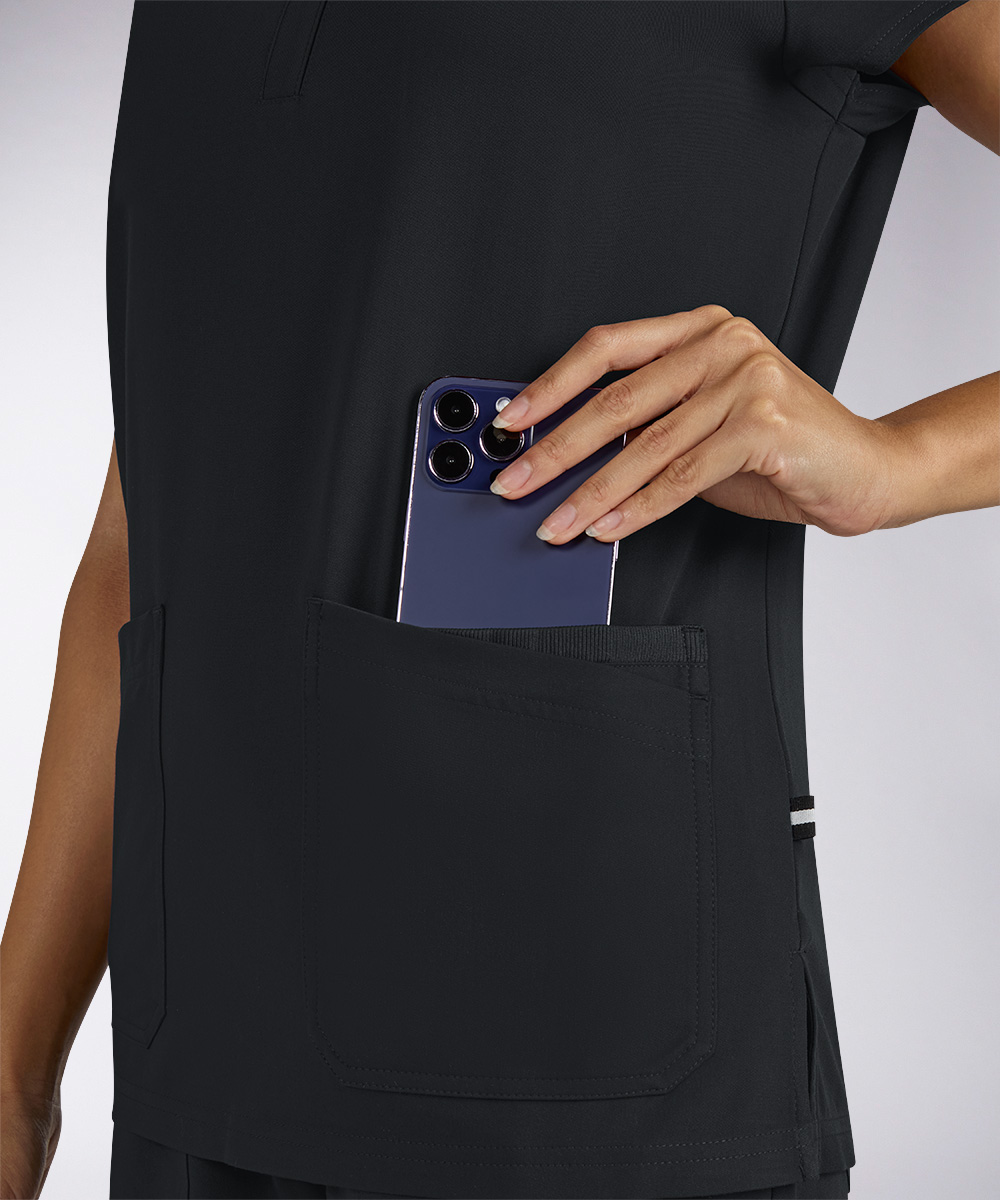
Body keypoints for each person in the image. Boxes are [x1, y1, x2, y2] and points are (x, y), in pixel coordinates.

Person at [1, 2, 997, 1198]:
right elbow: (154, 542)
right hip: (206, 1059)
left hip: (579, 1061)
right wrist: (14, 1073)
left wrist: (898, 466)